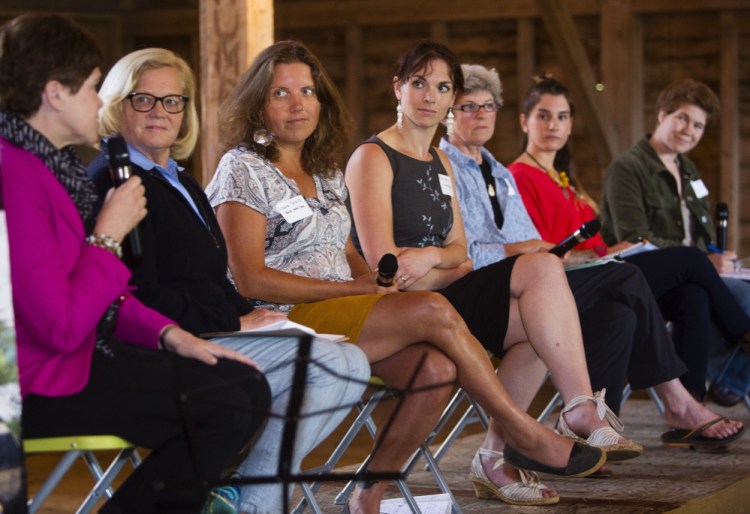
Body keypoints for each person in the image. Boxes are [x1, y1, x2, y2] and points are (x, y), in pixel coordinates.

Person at [207, 40, 607, 512]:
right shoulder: (243, 167)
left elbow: (349, 249)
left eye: (308, 92)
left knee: (435, 369)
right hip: (282, 321)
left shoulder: (325, 169)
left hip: (348, 310)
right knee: (435, 309)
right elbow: (250, 278)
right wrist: (355, 287)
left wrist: (370, 278)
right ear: (258, 102)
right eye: (281, 94)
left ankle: (368, 492)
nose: (298, 105)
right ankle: (521, 430)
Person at [344, 40, 642, 506]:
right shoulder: (373, 157)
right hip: (400, 309)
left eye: (441, 87)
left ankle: (504, 449)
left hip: (444, 292)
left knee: (542, 322)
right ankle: (562, 418)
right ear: (397, 88)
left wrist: (430, 259)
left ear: (450, 98)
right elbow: (389, 267)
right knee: (542, 278)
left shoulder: (440, 161)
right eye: (419, 83)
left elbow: (461, 253)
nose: (429, 96)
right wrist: (433, 259)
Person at [0, 14, 271, 514]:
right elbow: (60, 324)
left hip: (82, 351)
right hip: (38, 379)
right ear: (55, 93)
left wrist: (171, 334)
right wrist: (108, 235)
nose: (100, 101)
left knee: (239, 386)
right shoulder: (16, 175)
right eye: (92, 87)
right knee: (229, 401)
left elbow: (99, 291)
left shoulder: (50, 167)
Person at [85, 47, 371, 514]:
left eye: (172, 101)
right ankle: (258, 502)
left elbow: (210, 278)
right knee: (324, 363)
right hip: (166, 343)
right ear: (117, 105)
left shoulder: (179, 179)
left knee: (352, 362)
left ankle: (243, 496)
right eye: (144, 100)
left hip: (214, 327)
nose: (160, 112)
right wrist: (234, 321)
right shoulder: (116, 181)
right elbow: (139, 293)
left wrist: (247, 313)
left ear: (186, 112)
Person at [442, 63, 747, 455]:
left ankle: (595, 437)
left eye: (488, 106)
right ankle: (679, 402)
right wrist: (536, 252)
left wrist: (559, 253)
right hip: (494, 290)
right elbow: (495, 250)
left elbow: (537, 246)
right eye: (468, 106)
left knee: (636, 308)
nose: (481, 115)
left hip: (541, 278)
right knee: (655, 271)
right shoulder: (460, 168)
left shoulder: (501, 173)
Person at [601, 78, 750, 406]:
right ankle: (736, 362)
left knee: (695, 297)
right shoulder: (627, 167)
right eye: (682, 118)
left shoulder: (689, 170)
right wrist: (701, 259)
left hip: (691, 274)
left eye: (698, 125)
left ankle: (693, 405)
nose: (689, 130)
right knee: (740, 294)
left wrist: (717, 256)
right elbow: (634, 235)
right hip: (635, 271)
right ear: (662, 114)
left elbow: (703, 235)